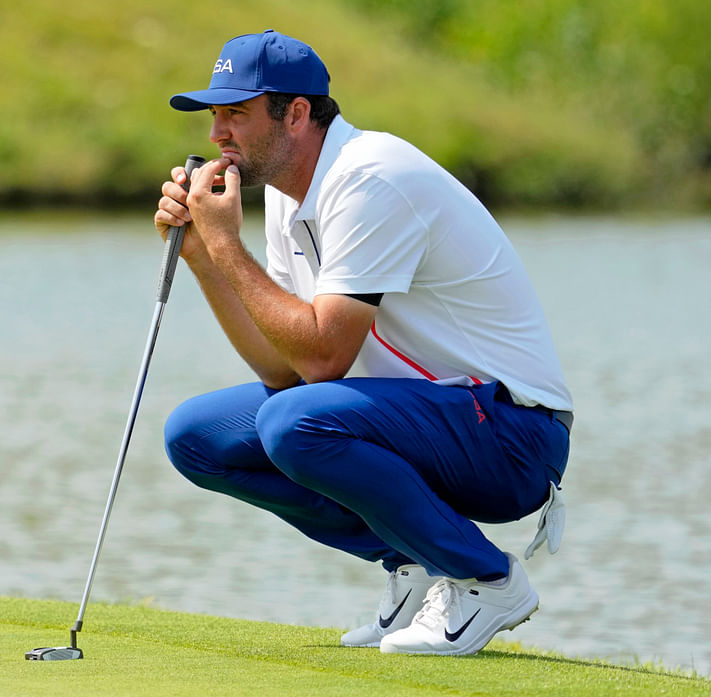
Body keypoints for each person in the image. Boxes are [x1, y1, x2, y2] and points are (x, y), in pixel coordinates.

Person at [153, 29, 573, 656]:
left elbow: (322, 359)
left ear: (296, 114)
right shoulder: (284, 198)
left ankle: (486, 579)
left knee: (297, 424)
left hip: (513, 435)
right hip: (421, 418)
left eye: (235, 113)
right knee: (197, 436)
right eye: (215, 115)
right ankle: (416, 561)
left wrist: (226, 247)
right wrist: (205, 261)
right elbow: (286, 369)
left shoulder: (371, 176)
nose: (217, 134)